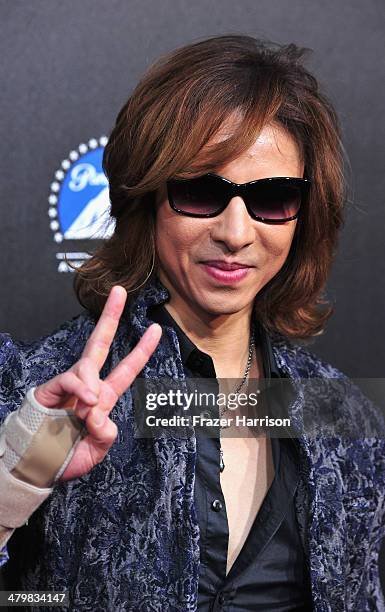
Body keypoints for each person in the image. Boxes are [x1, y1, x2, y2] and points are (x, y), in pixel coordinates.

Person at [0, 34, 384, 612]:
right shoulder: (42, 387)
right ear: (147, 196)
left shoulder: (339, 411)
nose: (235, 232)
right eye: (202, 191)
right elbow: (23, 599)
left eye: (273, 198)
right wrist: (15, 486)